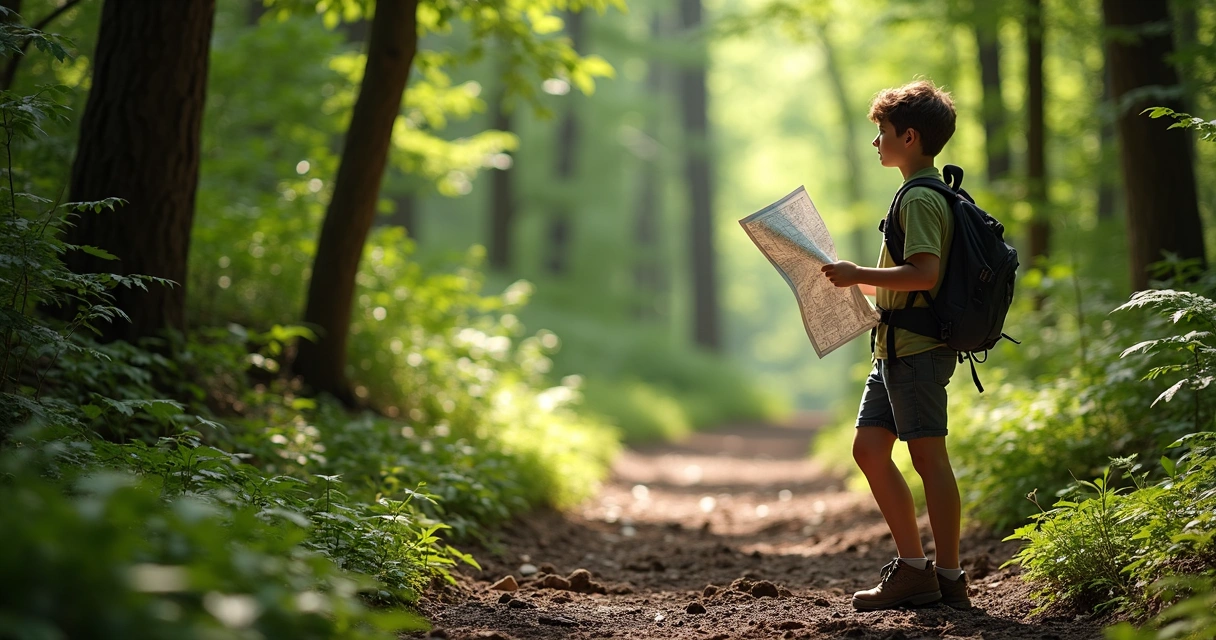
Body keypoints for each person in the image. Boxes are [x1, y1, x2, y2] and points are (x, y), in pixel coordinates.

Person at [820, 79, 970, 611]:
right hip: (894, 348)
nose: (876, 142)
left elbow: (925, 275)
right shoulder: (917, 193)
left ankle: (947, 576)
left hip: (917, 351)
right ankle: (915, 569)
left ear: (908, 136)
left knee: (929, 458)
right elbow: (900, 279)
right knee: (869, 450)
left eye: (881, 132)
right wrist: (848, 278)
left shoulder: (923, 199)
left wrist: (856, 269)